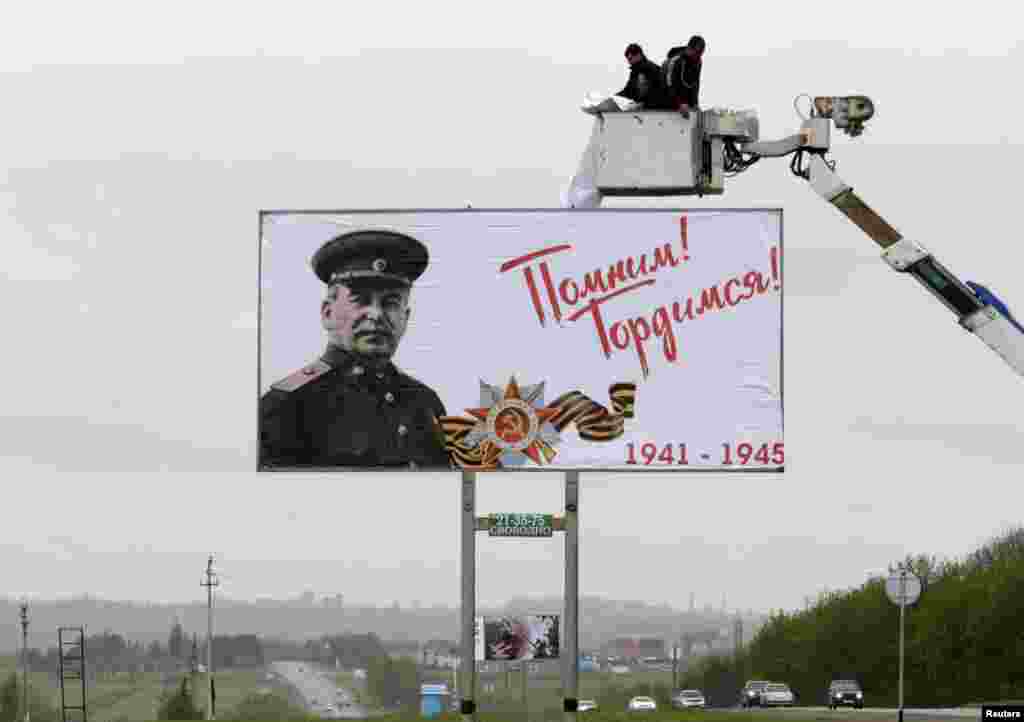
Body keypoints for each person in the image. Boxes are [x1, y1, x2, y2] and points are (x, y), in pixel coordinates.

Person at [260, 229, 451, 469]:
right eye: (360, 300)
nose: (376, 315)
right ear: (327, 313)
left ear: (406, 317)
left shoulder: (425, 403)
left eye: (391, 303)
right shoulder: (286, 406)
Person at [618, 43, 674, 110]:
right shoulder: (635, 71)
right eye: (628, 59)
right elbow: (628, 90)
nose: (629, 62)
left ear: (639, 55)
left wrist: (643, 104)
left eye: (630, 59)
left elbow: (657, 91)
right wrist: (616, 97)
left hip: (654, 107)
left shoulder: (650, 69)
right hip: (643, 105)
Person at [664, 35, 706, 117]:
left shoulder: (698, 61)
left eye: (701, 53)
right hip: (669, 97)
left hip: (684, 100)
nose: (699, 56)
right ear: (689, 49)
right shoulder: (676, 60)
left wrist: (695, 103)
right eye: (697, 53)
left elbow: (695, 83)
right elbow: (669, 83)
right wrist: (680, 103)